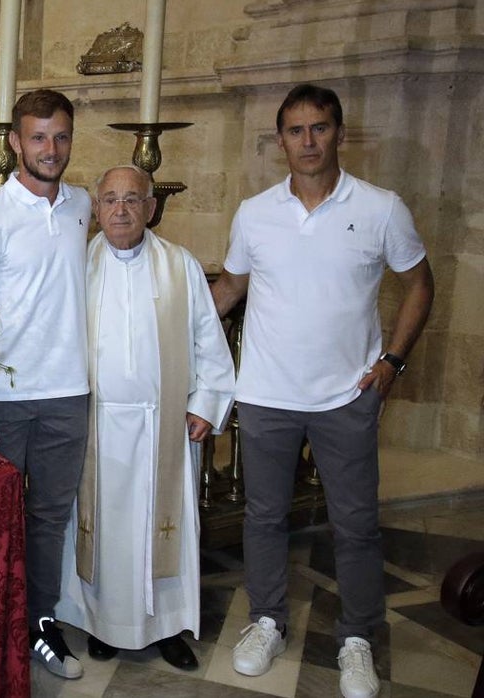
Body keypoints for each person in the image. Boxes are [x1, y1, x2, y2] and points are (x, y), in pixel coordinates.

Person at [213, 84, 434, 698]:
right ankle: (266, 620)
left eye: (319, 128)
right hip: (266, 395)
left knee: (357, 525)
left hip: (347, 396)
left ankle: (358, 638)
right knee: (262, 516)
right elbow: (227, 291)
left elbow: (421, 284)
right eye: (295, 130)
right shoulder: (255, 213)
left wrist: (392, 361)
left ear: (339, 132)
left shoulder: (382, 207)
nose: (307, 141)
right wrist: (160, 324)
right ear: (279, 138)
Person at [54, 165, 235, 671]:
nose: (121, 209)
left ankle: (168, 627)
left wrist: (205, 403)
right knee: (103, 529)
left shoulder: (180, 266)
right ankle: (103, 623)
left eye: (132, 199)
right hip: (98, 427)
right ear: (95, 209)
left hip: (165, 427)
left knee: (165, 529)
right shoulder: (76, 265)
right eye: (110, 199)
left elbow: (209, 341)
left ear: (151, 208)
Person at [0, 88, 91, 680]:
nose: (50, 148)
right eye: (38, 137)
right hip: (4, 398)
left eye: (60, 136)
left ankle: (40, 624)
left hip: (69, 391)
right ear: (14, 142)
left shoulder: (85, 205)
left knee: (50, 518)